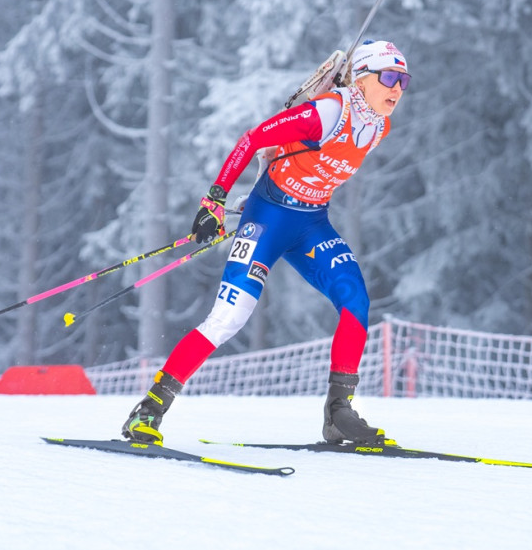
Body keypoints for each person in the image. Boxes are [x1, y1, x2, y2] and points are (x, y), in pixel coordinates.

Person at [121, 40, 411, 446]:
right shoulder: (327, 112)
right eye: (390, 77)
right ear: (361, 79)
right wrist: (214, 200)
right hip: (268, 220)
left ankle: (338, 413)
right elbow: (254, 138)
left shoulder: (379, 125)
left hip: (312, 224)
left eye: (404, 81)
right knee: (228, 318)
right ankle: (149, 409)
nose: (397, 88)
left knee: (355, 301)